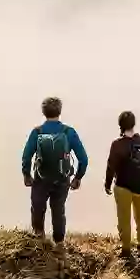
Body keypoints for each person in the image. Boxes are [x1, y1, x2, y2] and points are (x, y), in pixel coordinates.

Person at [21, 97, 88, 245]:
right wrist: (77, 177)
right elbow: (83, 159)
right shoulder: (68, 132)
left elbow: (26, 157)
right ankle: (59, 243)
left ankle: (39, 238)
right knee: (58, 211)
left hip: (40, 178)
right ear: (60, 111)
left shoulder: (37, 132)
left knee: (38, 208)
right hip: (62, 179)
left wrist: (26, 174)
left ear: (44, 112)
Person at [104, 111, 140, 262]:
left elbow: (111, 167)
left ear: (120, 126)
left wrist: (107, 184)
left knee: (124, 219)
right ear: (133, 124)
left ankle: (126, 250)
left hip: (123, 187)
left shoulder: (117, 145)